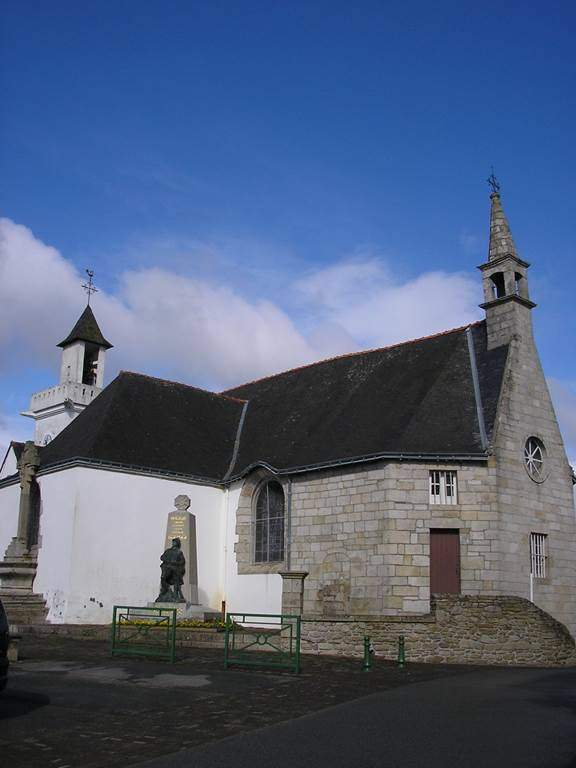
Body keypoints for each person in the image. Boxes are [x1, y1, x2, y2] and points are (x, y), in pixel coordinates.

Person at [155, 537, 186, 602]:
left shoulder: (179, 552)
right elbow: (162, 557)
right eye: (173, 542)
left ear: (177, 544)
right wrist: (167, 560)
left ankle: (175, 595)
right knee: (163, 578)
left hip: (175, 569)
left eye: (175, 542)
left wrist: (176, 563)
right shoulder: (168, 551)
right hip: (167, 569)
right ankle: (164, 591)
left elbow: (182, 561)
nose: (173, 543)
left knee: (176, 578)